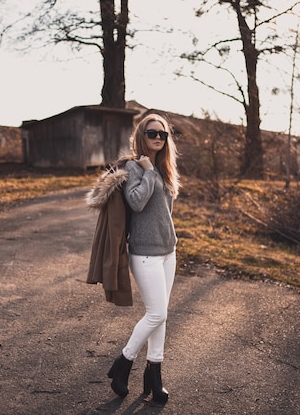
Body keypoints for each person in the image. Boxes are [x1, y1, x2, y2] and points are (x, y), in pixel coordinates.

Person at [106, 113, 180, 404]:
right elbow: (136, 203)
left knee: (161, 315)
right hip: (145, 253)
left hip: (167, 252)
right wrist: (148, 171)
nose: (159, 138)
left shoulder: (163, 168)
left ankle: (154, 375)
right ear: (142, 135)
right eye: (153, 133)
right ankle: (123, 362)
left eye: (163, 134)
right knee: (156, 313)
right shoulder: (135, 168)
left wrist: (155, 171)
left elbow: (164, 211)